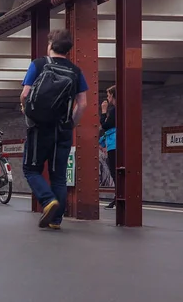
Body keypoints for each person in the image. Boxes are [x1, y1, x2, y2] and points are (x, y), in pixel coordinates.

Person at [20, 29, 88, 229]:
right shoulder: (76, 71)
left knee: (31, 169)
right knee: (58, 175)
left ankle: (48, 200)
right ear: (68, 49)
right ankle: (56, 220)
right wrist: (70, 124)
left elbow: (25, 94)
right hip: (62, 130)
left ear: (50, 45)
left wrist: (26, 111)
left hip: (39, 128)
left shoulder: (39, 64)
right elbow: (82, 104)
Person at [101, 85, 117, 209]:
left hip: (114, 144)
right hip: (118, 143)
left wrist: (103, 111)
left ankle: (118, 196)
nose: (107, 98)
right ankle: (118, 197)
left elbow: (106, 125)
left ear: (112, 96)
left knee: (114, 171)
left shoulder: (114, 111)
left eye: (108, 95)